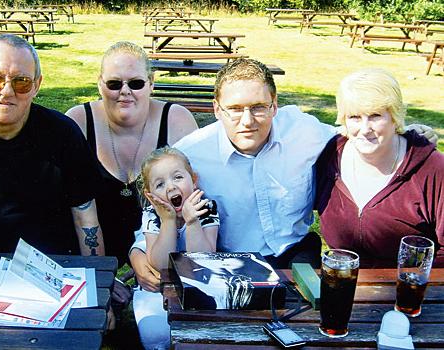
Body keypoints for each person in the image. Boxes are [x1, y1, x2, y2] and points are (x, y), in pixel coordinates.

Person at [131, 58, 437, 270]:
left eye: (259, 107)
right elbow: (158, 208)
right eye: (234, 109)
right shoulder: (190, 154)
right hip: (230, 261)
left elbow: (357, 134)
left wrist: (408, 135)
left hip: (297, 255)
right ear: (216, 109)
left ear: (275, 104)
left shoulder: (304, 131)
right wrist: (137, 253)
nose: (247, 121)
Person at [0, 34, 105, 261]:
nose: (7, 91)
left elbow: (85, 215)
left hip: (54, 266)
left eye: (21, 82)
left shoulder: (63, 133)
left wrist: (96, 273)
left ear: (36, 85)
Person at [65, 42, 198, 305]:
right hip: (92, 242)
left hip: (160, 240)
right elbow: (74, 210)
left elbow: (192, 202)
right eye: (114, 84)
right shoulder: (78, 122)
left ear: (151, 82)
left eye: (135, 83)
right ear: (100, 84)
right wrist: (100, 277)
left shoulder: (177, 121)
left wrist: (142, 256)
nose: (125, 92)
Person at [315, 68, 443, 267]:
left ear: (395, 116)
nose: (365, 129)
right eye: (355, 117)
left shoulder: (432, 169)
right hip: (341, 286)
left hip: (409, 291)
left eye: (375, 116)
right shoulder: (329, 156)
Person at [133, 146, 219, 350]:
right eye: (160, 184)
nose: (171, 187)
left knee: (201, 335)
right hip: (158, 289)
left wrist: (192, 222)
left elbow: (203, 260)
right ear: (150, 195)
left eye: (178, 177)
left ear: (194, 180)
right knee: (154, 332)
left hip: (199, 285)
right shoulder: (152, 215)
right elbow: (160, 263)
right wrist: (168, 221)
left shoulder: (207, 209)